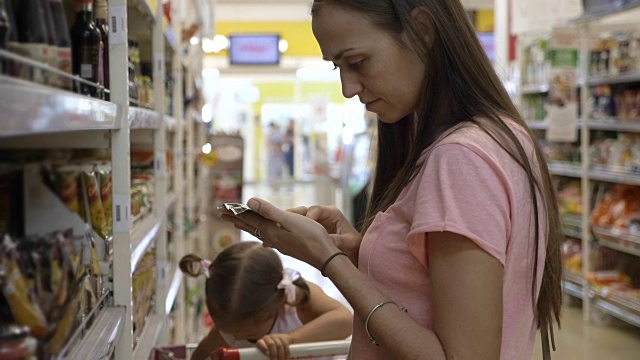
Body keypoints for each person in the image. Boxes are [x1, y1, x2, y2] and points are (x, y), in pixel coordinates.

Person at [220, 1, 563, 359]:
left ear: (423, 31)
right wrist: (363, 253)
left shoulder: (460, 158)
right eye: (339, 68)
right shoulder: (503, 136)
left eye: (357, 62)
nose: (348, 88)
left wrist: (328, 260)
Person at [179, 241, 353, 360]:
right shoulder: (226, 331)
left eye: (247, 336)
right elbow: (199, 356)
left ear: (276, 306)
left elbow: (346, 322)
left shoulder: (297, 301)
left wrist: (289, 340)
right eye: (230, 332)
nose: (236, 337)